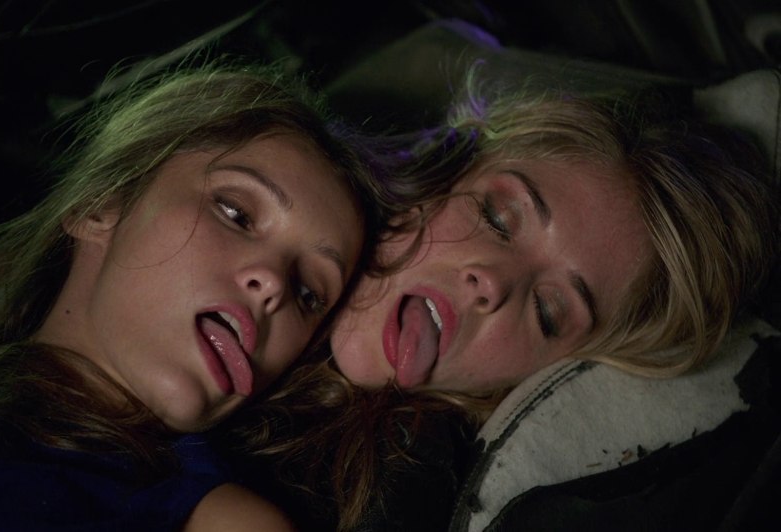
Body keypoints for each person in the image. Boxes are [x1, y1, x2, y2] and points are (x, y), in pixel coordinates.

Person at [0, 63, 393, 531]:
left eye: (310, 292)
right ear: (101, 206)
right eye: (235, 212)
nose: (274, 285)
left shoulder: (220, 523)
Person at [218, 82, 780, 530]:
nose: (491, 283)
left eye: (549, 313)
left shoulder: (405, 488)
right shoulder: (249, 194)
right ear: (444, 169)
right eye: (497, 217)